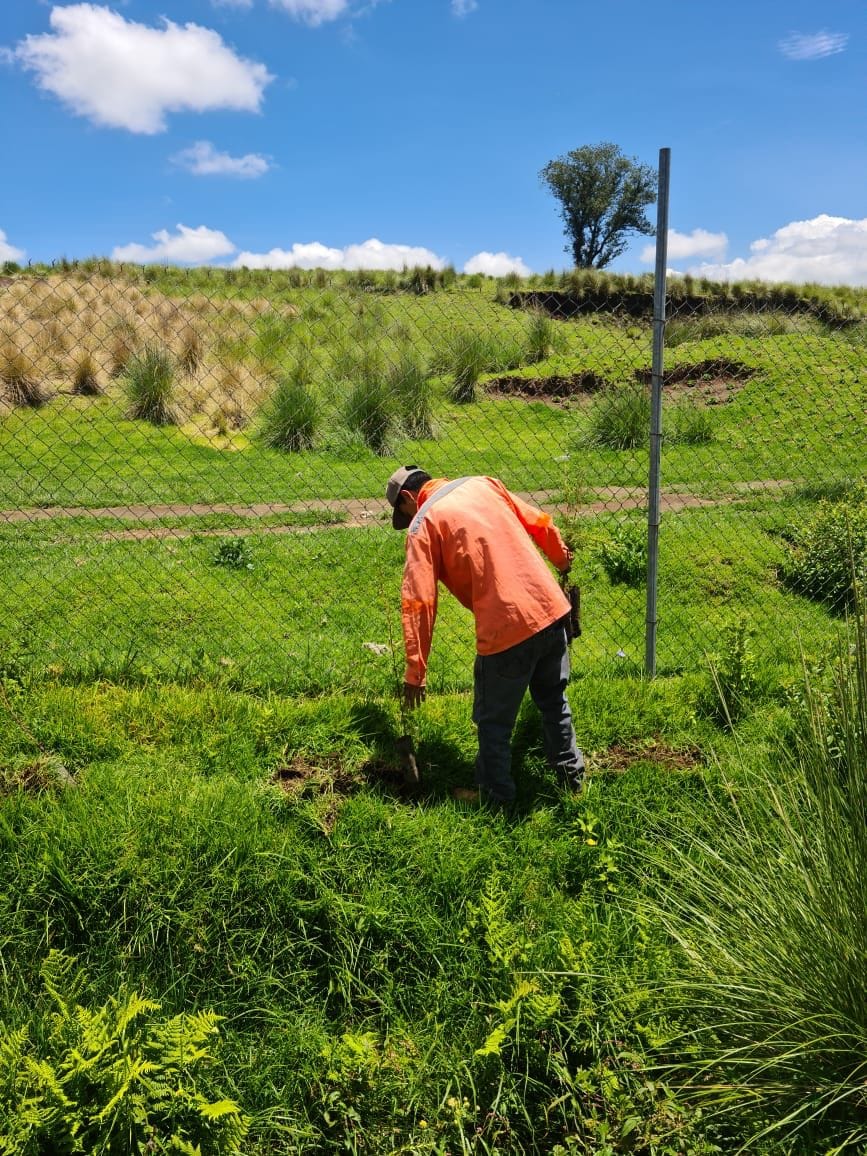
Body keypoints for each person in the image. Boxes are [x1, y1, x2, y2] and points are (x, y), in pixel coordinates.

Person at [385, 465, 584, 808]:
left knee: (493, 723)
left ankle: (496, 799)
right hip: (552, 609)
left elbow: (419, 601)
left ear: (406, 499)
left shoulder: (423, 524)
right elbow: (540, 523)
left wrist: (415, 671)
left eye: (404, 512)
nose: (408, 517)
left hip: (506, 629)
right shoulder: (484, 484)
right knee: (554, 702)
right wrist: (562, 561)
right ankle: (572, 781)